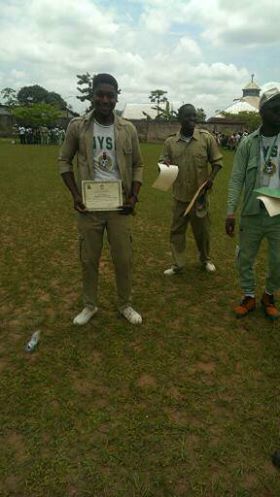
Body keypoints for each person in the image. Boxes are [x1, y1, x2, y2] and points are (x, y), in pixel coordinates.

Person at [58, 73, 144, 325]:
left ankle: (125, 304)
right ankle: (89, 305)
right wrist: (75, 195)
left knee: (123, 258)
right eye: (100, 94)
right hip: (89, 206)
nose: (105, 100)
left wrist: (134, 196)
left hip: (119, 207)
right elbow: (64, 160)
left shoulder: (127, 129)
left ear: (117, 97)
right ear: (92, 95)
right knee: (88, 258)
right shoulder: (77, 126)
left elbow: (139, 164)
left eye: (110, 95)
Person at [225, 87, 280, 320]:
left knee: (278, 259)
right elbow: (237, 177)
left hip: (278, 210)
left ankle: (269, 295)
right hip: (252, 209)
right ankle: (248, 295)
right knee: (245, 257)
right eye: (275, 107)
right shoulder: (248, 143)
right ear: (262, 110)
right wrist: (230, 211)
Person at [160, 104, 223, 276]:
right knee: (176, 232)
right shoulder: (170, 142)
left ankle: (205, 260)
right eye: (188, 116)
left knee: (202, 232)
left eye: (194, 116)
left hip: (199, 197)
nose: (192, 120)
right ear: (180, 118)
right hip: (179, 197)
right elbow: (163, 164)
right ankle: (178, 264)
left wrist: (211, 179)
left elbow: (217, 162)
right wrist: (163, 166)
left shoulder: (206, 139)